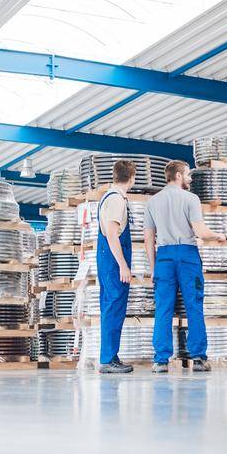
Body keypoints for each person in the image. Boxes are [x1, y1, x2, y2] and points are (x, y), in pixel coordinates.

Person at [145, 160, 218, 372]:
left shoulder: (153, 202)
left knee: (163, 308)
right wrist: (218, 235)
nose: (190, 178)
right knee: (193, 306)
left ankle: (161, 360)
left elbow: (149, 238)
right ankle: (198, 358)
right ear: (178, 175)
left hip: (164, 258)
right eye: (187, 174)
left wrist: (153, 268)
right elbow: (201, 232)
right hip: (187, 256)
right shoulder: (191, 199)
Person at [95, 159, 137, 374]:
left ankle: (111, 355)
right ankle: (108, 359)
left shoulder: (108, 197)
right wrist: (123, 265)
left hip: (106, 259)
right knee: (113, 307)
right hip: (113, 261)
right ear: (132, 178)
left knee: (111, 307)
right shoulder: (117, 200)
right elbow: (112, 234)